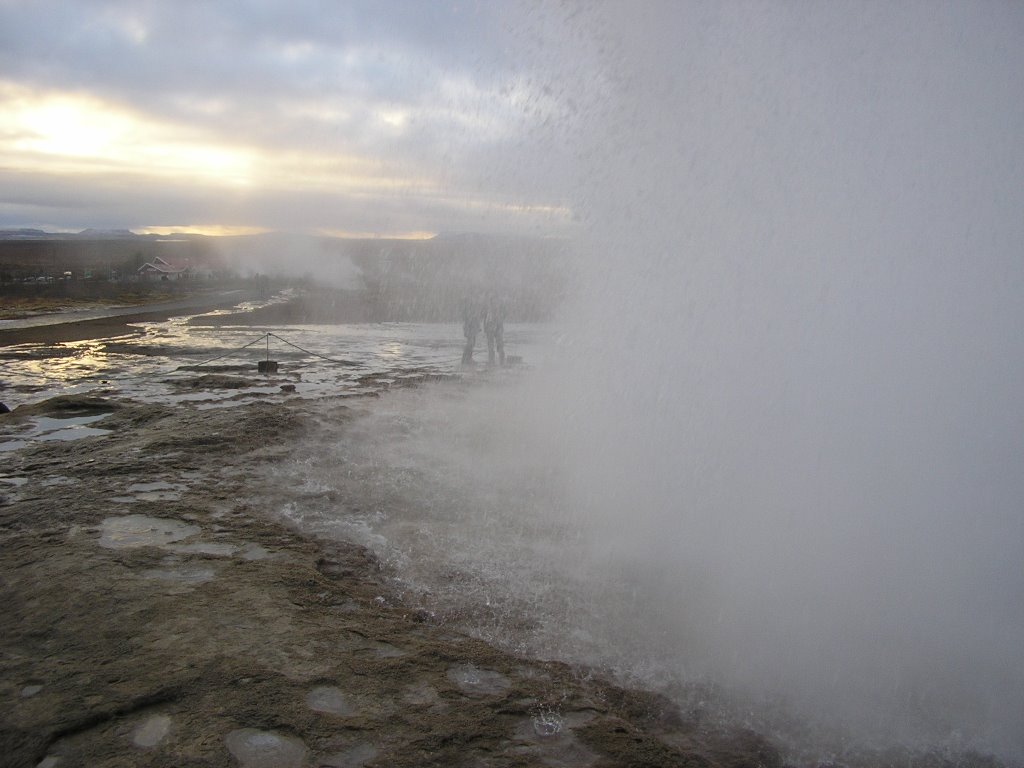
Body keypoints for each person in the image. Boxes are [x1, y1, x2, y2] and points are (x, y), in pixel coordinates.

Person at [483, 293, 506, 366]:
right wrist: (486, 328)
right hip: (490, 329)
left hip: (497, 328)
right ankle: (492, 361)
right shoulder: (489, 310)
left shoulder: (500, 309)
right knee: (491, 346)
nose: (495, 302)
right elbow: (486, 319)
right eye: (494, 301)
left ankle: (501, 361)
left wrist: (499, 326)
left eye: (496, 301)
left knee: (500, 345)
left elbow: (501, 318)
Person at [461, 298, 482, 364]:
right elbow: (467, 320)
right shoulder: (468, 310)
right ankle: (465, 359)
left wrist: (478, 327)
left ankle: (468, 358)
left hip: (473, 329)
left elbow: (476, 319)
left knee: (472, 343)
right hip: (470, 329)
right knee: (470, 343)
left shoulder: (473, 310)